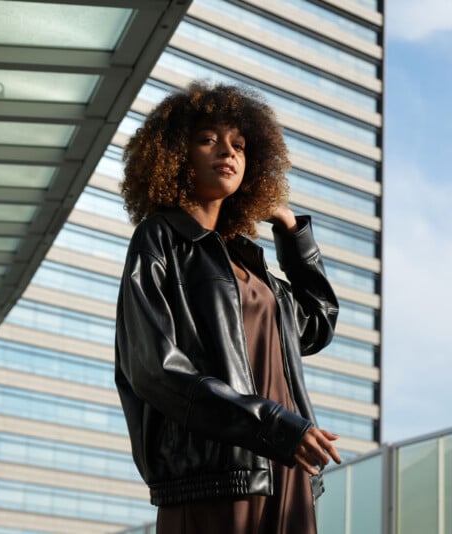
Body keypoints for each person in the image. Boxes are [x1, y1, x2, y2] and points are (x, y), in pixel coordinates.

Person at [114, 82, 342, 533]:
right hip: (215, 477)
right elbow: (153, 368)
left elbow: (316, 323)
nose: (228, 152)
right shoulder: (160, 239)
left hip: (286, 471)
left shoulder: (245, 259)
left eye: (239, 144)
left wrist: (292, 231)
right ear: (177, 154)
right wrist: (275, 425)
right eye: (208, 140)